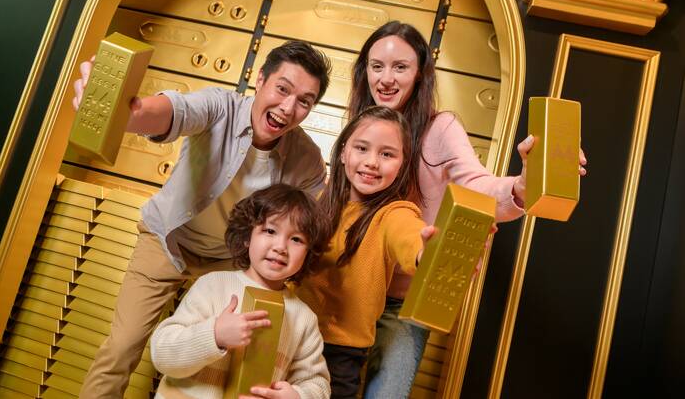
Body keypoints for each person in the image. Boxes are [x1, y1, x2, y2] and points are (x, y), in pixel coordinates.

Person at [72, 41, 332, 398]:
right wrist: (126, 113)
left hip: (229, 261)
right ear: (260, 79)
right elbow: (173, 111)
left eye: (304, 101)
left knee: (220, 362)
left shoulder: (308, 160)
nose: (288, 108)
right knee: (122, 348)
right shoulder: (219, 107)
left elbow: (307, 226)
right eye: (282, 89)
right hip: (168, 242)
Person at [350, 21, 588, 398]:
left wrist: (523, 186)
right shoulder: (358, 126)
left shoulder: (439, 128)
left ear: (420, 74)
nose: (386, 78)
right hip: (350, 289)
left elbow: (477, 184)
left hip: (403, 301)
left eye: (400, 67)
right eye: (376, 66)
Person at [296, 105, 439, 398]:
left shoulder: (394, 213)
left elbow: (409, 236)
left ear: (402, 164)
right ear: (344, 150)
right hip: (289, 337)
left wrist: (427, 253)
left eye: (387, 154)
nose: (372, 162)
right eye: (362, 148)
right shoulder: (319, 200)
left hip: (338, 357)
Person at [150, 184, 332, 399]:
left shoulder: (304, 319)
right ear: (247, 236)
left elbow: (317, 383)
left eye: (296, 239)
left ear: (308, 253)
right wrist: (214, 335)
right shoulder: (212, 286)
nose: (281, 247)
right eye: (270, 231)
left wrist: (298, 396)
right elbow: (162, 355)